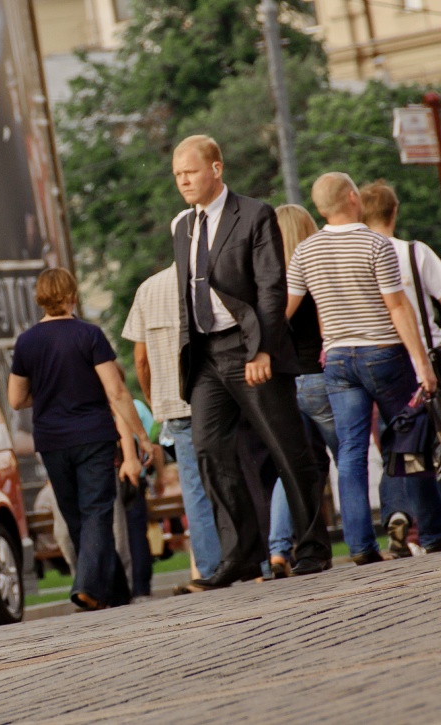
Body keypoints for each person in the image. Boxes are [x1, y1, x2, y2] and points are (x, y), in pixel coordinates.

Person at [171, 134, 331, 588]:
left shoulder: (255, 214)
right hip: (205, 356)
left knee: (286, 448)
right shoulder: (182, 226)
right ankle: (240, 556)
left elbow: (271, 287)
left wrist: (263, 349)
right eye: (177, 174)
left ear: (216, 169)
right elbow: (188, 294)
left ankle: (312, 549)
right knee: (209, 450)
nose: (183, 181)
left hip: (249, 347)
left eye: (190, 171)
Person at [286, 172, 440, 564]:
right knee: (408, 441)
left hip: (337, 359)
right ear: (353, 197)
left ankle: (360, 545)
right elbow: (397, 307)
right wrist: (422, 364)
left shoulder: (305, 251)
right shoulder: (376, 244)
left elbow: (283, 309)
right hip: (384, 354)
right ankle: (434, 530)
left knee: (351, 451)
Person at [8, 268, 155, 610]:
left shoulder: (26, 342)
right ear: (72, 296)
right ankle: (87, 586)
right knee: (96, 512)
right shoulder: (90, 335)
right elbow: (116, 391)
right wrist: (141, 436)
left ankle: (114, 593)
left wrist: (49, 393)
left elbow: (16, 399)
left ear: (40, 299)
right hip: (93, 435)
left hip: (52, 440)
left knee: (76, 515)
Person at [122, 218, 221, 583]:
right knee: (229, 477)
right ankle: (249, 558)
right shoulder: (213, 280)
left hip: (175, 403)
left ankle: (208, 567)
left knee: (193, 486)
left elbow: (140, 360)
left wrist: (153, 398)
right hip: (218, 399)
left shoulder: (148, 289)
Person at [360, 180, 441, 557]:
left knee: (404, 449)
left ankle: (411, 520)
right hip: (431, 357)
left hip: (384, 363)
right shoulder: (415, 252)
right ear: (394, 211)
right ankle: (434, 526)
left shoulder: (358, 257)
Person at [267, 205, 340, 577]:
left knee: (294, 469)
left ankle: (278, 549)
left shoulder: (270, 284)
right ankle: (364, 537)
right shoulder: (316, 274)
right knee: (349, 458)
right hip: (319, 376)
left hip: (287, 385)